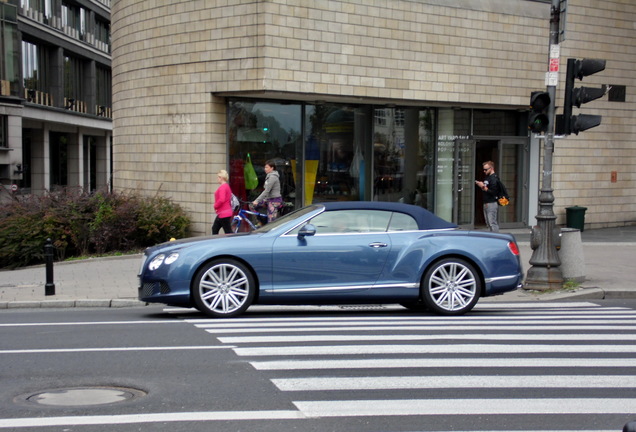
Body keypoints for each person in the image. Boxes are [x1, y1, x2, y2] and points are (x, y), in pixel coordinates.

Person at [475, 160, 502, 233]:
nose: (484, 171)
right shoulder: (487, 177)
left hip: (492, 202)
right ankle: (491, 237)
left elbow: (494, 192)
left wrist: (483, 186)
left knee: (492, 223)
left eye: (486, 169)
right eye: (483, 169)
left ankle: (496, 238)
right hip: (487, 202)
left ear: (491, 168)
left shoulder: (494, 178)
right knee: (488, 223)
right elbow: (487, 189)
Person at [212, 169, 234, 234]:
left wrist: (215, 206)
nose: (217, 179)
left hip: (223, 213)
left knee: (228, 232)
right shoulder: (227, 186)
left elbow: (221, 199)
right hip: (224, 212)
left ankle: (232, 243)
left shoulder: (222, 187)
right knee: (215, 229)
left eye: (218, 177)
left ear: (221, 178)